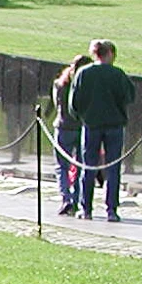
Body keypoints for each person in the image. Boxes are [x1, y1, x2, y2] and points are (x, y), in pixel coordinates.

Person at [70, 38, 136, 221]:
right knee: (113, 168)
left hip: (91, 125)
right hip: (114, 125)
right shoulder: (118, 74)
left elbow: (74, 102)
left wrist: (82, 117)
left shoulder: (83, 73)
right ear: (110, 54)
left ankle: (86, 208)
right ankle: (111, 209)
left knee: (88, 167)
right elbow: (129, 96)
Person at [51, 54, 90, 216]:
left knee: (62, 166)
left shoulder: (60, 84)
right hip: (81, 128)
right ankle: (76, 199)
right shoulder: (86, 85)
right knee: (81, 166)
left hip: (63, 126)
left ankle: (65, 197)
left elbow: (56, 104)